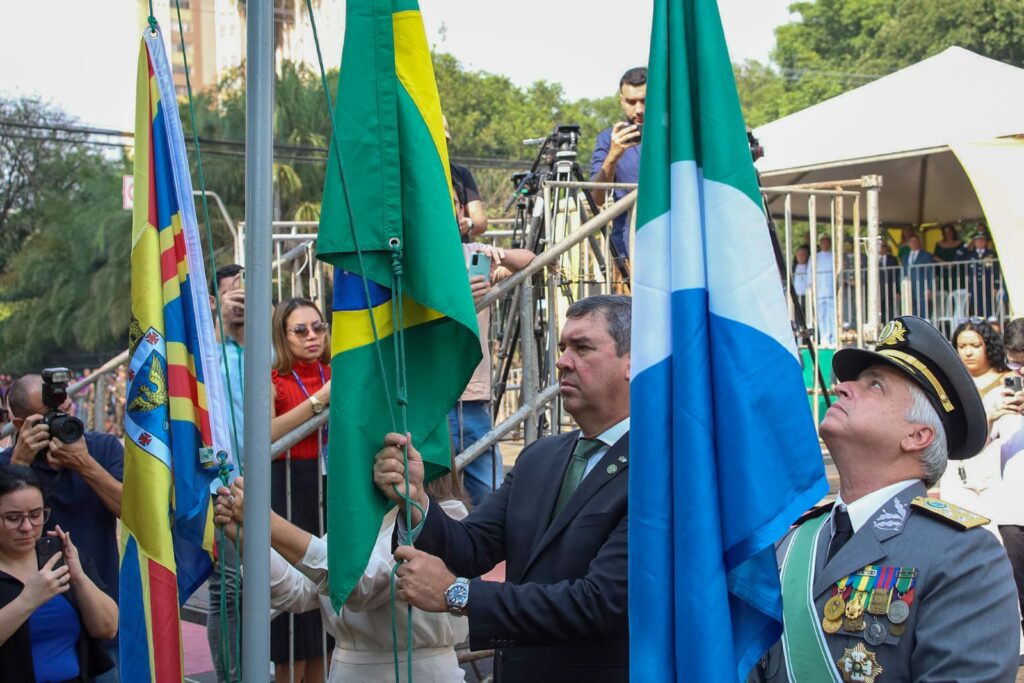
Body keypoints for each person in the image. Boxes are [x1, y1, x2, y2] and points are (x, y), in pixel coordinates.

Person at [374, 294, 631, 682]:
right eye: (563, 347)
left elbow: (600, 603)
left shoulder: (662, 469)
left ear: (633, 362)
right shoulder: (539, 458)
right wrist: (417, 500)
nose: (562, 360)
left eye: (582, 347)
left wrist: (456, 594)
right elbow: (471, 547)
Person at [751, 315, 1020, 682]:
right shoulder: (791, 541)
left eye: (874, 385)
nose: (843, 387)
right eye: (852, 381)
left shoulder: (966, 557)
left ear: (918, 435)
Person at [212, 463, 472, 682]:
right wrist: (249, 540)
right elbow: (296, 591)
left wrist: (267, 522)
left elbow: (360, 585)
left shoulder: (447, 517)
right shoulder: (363, 517)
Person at [1, 374, 123, 681]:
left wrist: (84, 464)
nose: (60, 422)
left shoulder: (103, 449)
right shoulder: (6, 466)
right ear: (19, 425)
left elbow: (136, 513)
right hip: (29, 630)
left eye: (65, 411)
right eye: (46, 419)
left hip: (98, 617)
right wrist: (19, 465)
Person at [0, 464, 117, 682]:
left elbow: (108, 628)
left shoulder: (60, 556)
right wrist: (28, 600)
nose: (27, 527)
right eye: (13, 518)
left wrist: (79, 578)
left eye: (36, 514)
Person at [269, 297, 333, 683]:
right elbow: (267, 434)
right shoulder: (272, 378)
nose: (312, 336)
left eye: (318, 327)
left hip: (328, 488)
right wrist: (317, 403)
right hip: (288, 486)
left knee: (324, 610)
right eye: (300, 330)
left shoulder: (333, 370)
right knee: (292, 625)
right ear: (283, 335)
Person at [453, 242, 535, 506]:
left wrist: (503, 256)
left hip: (474, 400)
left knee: (490, 493)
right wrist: (457, 297)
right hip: (429, 400)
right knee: (432, 495)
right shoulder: (415, 254)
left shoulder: (472, 252)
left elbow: (532, 259)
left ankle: (484, 545)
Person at [206, 263, 245, 683]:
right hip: (222, 486)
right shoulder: (206, 350)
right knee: (228, 589)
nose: (242, 299)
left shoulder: (266, 344)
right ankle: (231, 676)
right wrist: (222, 324)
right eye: (235, 292)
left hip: (275, 480)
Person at [939, 320, 1011, 533]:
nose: (968, 352)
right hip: (957, 470)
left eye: (975, 346)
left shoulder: (1008, 380)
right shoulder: (950, 383)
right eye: (962, 347)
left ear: (989, 346)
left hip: (998, 469)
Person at [590, 67, 645, 262]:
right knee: (623, 295)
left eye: (645, 101)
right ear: (622, 101)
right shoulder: (608, 139)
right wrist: (613, 155)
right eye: (631, 102)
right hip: (628, 251)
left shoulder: (681, 136)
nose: (639, 109)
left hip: (676, 248)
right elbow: (596, 198)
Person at [994, 319, 1024, 633]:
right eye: (1013, 362)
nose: (1019, 372)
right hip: (1013, 516)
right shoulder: (1001, 396)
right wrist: (991, 412)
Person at [444, 117, 487, 241]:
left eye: (444, 141)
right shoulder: (410, 175)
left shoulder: (461, 174)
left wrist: (468, 224)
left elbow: (480, 221)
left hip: (458, 251)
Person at [966, 230, 1000, 319]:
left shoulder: (991, 254)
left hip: (988, 286)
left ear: (986, 242)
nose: (980, 242)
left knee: (988, 308)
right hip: (974, 286)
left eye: (982, 240)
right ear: (974, 242)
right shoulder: (970, 254)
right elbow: (958, 257)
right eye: (977, 240)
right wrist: (967, 244)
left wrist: (996, 286)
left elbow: (996, 270)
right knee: (977, 310)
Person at [901, 233, 934, 317]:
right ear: (908, 244)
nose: (913, 243)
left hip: (922, 288)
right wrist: (900, 288)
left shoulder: (926, 255)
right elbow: (902, 272)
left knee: (924, 312)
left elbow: (931, 272)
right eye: (911, 242)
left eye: (915, 241)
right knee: (911, 311)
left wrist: (930, 288)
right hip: (908, 288)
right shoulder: (905, 257)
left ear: (919, 243)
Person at [814, 235, 836, 345]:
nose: (825, 244)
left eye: (827, 242)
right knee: (822, 316)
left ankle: (834, 338)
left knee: (833, 315)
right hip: (820, 291)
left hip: (832, 291)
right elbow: (810, 273)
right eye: (823, 242)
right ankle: (824, 338)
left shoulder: (834, 256)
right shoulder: (815, 257)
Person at [878, 241, 901, 322]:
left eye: (883, 246)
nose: (881, 248)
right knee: (879, 312)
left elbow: (897, 275)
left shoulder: (893, 259)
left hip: (891, 289)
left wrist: (898, 290)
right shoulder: (872, 260)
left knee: (891, 311)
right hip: (878, 291)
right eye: (879, 246)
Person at [791, 244, 810, 315]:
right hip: (796, 295)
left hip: (807, 295)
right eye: (799, 254)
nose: (801, 256)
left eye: (803, 254)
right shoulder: (792, 268)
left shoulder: (810, 266)